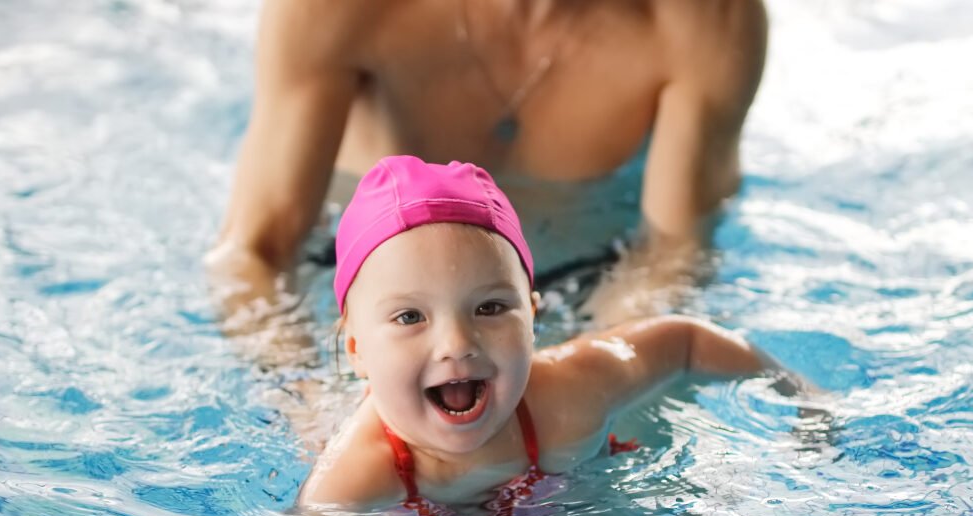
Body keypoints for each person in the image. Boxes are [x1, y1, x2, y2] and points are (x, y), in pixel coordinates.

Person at [253, 157, 799, 516]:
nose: (456, 344)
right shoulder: (362, 468)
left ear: (531, 317)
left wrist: (800, 398)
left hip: (561, 507)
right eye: (410, 317)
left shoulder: (566, 392)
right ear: (356, 350)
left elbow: (684, 340)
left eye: (490, 308)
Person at [209, 0, 768, 329]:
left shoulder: (705, 18)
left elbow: (670, 253)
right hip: (345, 272)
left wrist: (584, 377)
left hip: (583, 285)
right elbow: (255, 254)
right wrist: (314, 404)